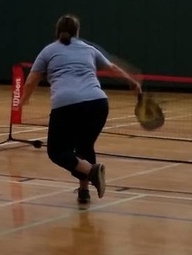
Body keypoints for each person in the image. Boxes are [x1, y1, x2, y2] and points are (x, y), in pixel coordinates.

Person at [19, 14, 141, 206]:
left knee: (57, 152)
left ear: (57, 31)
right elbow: (113, 68)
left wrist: (23, 101)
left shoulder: (48, 51)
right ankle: (84, 191)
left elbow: (32, 80)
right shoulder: (89, 49)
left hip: (67, 105)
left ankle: (93, 171)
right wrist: (132, 82)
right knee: (85, 147)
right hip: (98, 104)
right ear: (77, 32)